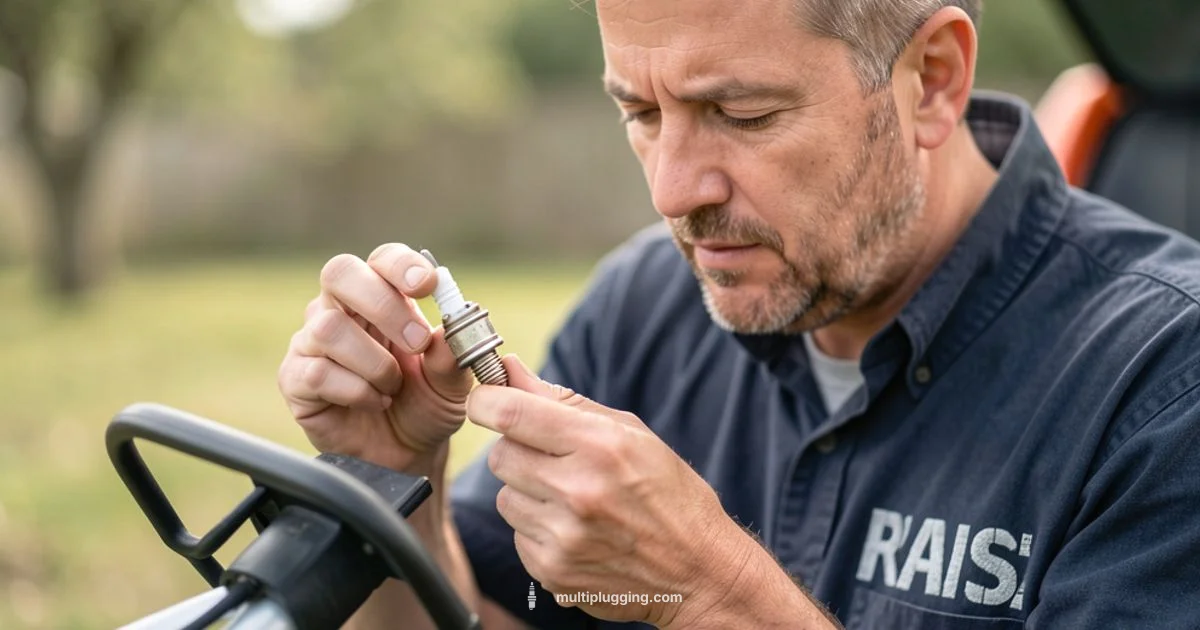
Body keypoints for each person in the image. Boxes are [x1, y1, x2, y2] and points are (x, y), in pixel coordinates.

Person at [277, 0, 1200, 627]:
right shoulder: (642, 305)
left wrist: (709, 593)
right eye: (640, 111)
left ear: (933, 77)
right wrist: (394, 494)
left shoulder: (1164, 383)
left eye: (743, 114)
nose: (675, 190)